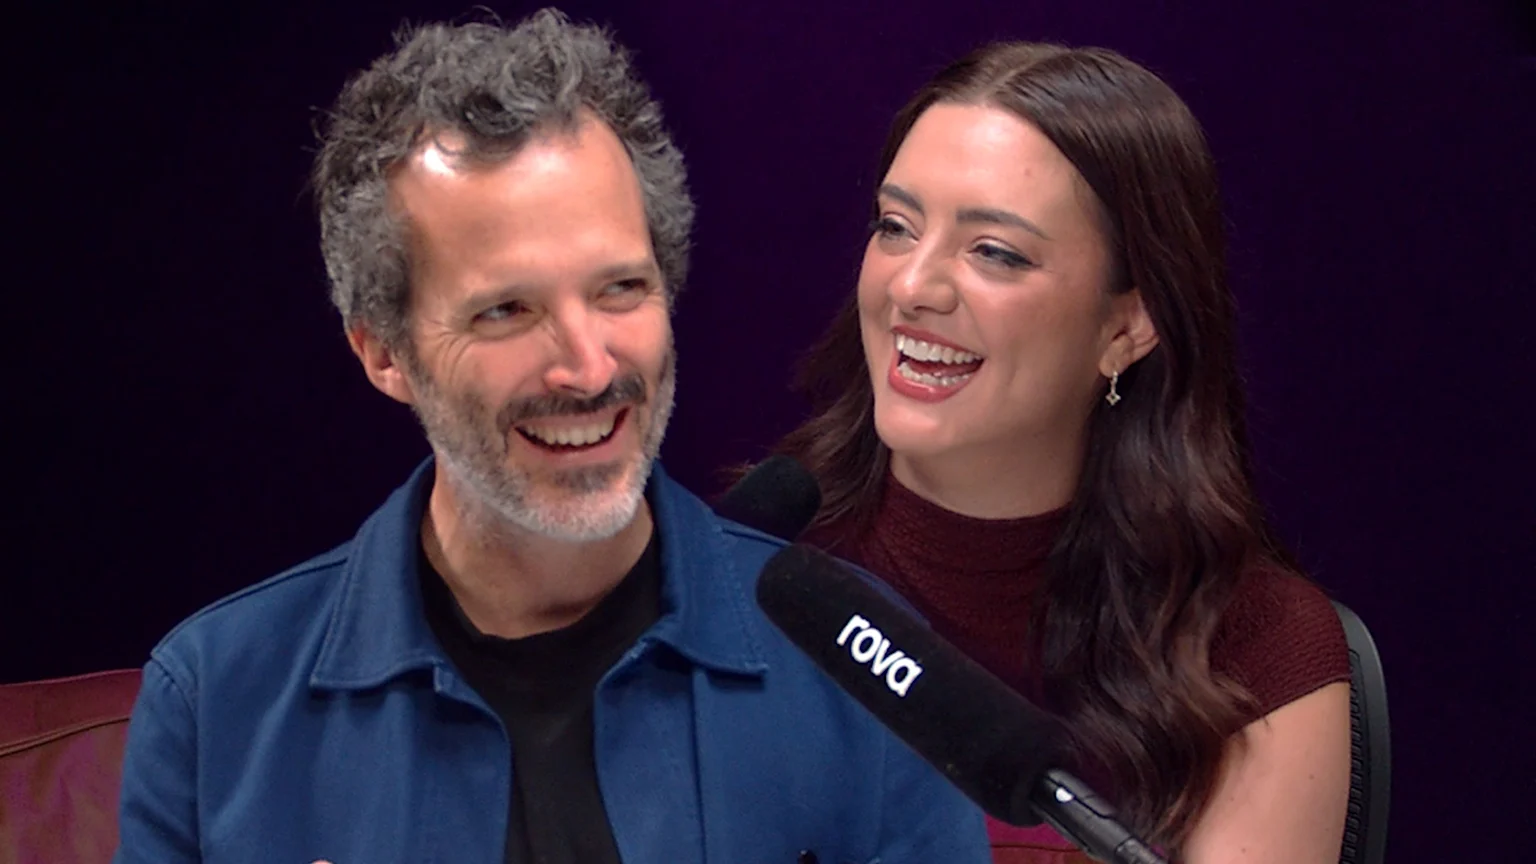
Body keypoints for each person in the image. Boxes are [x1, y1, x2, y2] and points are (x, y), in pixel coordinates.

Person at [110, 10, 990, 864]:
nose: (589, 364)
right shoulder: (215, 699)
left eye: (620, 290)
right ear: (384, 353)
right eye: (506, 309)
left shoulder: (869, 667)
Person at [772, 42, 1352, 863]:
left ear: (1129, 326)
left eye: (995, 252)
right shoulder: (758, 577)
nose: (913, 288)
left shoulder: (1256, 649)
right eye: (896, 227)